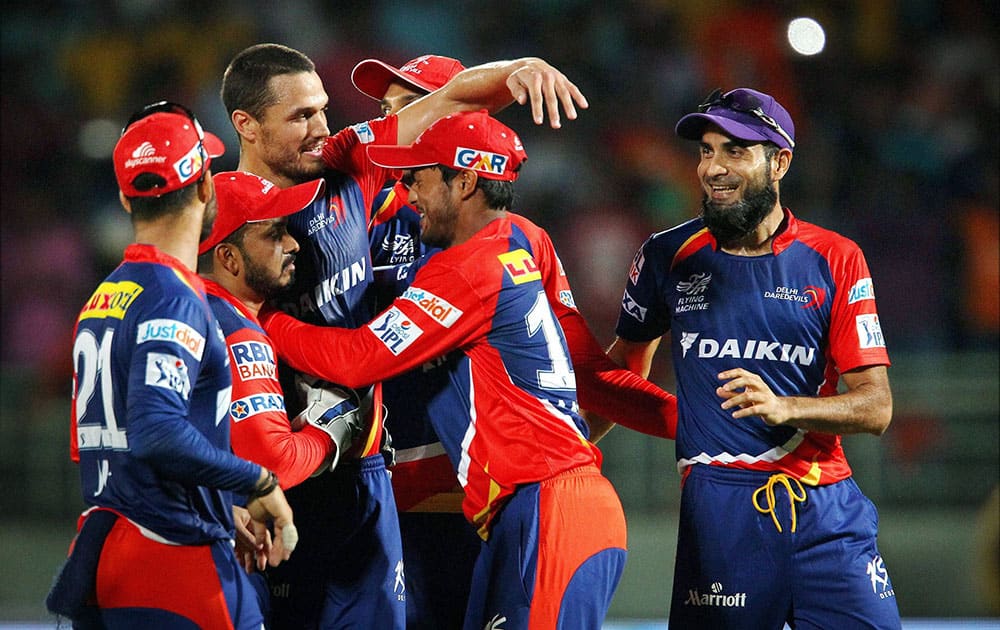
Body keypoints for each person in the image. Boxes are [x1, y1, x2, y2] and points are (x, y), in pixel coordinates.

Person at [219, 42, 588, 629]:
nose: (322, 128)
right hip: (275, 483)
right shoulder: (218, 217)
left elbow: (453, 97)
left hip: (365, 472)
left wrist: (520, 69)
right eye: (300, 117)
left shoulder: (347, 162)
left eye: (322, 110)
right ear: (247, 125)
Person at [351, 54, 679, 629]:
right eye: (387, 112)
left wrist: (698, 423)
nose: (391, 126)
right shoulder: (356, 225)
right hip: (380, 506)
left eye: (412, 109)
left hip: (488, 511)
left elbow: (581, 377)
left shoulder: (523, 243)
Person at [608, 87, 902, 628]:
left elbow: (875, 407)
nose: (713, 168)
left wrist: (788, 407)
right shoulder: (666, 255)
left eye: (734, 151)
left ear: (780, 161)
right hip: (720, 517)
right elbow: (625, 367)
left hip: (827, 512)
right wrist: (564, 448)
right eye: (705, 151)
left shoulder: (835, 258)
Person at [46, 102, 296, 628]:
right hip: (177, 562)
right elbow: (157, 433)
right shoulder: (174, 295)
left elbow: (105, 453)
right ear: (206, 187)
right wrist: (260, 483)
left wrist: (218, 504)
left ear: (124, 197)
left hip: (107, 559)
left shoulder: (102, 299)